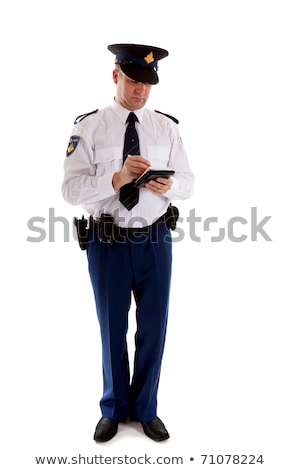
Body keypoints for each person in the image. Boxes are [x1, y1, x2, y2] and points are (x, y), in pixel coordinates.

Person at [62, 43, 194, 442]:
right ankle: (114, 407)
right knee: (111, 329)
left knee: (154, 327)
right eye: (134, 81)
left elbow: (189, 183)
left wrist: (172, 185)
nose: (141, 91)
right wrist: (115, 179)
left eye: (148, 84)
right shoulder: (88, 127)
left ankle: (146, 408)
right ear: (116, 75)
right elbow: (70, 190)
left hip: (155, 240)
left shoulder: (165, 127)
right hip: (108, 243)